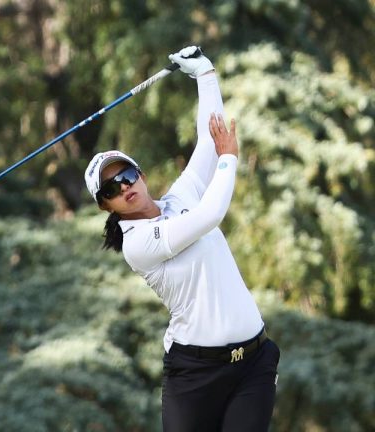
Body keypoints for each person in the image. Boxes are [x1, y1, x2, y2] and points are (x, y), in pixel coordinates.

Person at [83, 46, 280, 431]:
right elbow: (211, 214)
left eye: (127, 176)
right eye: (111, 189)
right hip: (195, 374)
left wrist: (205, 76)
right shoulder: (138, 244)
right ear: (106, 207)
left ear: (140, 175)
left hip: (253, 364)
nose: (124, 188)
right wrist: (230, 160)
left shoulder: (180, 197)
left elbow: (209, 140)